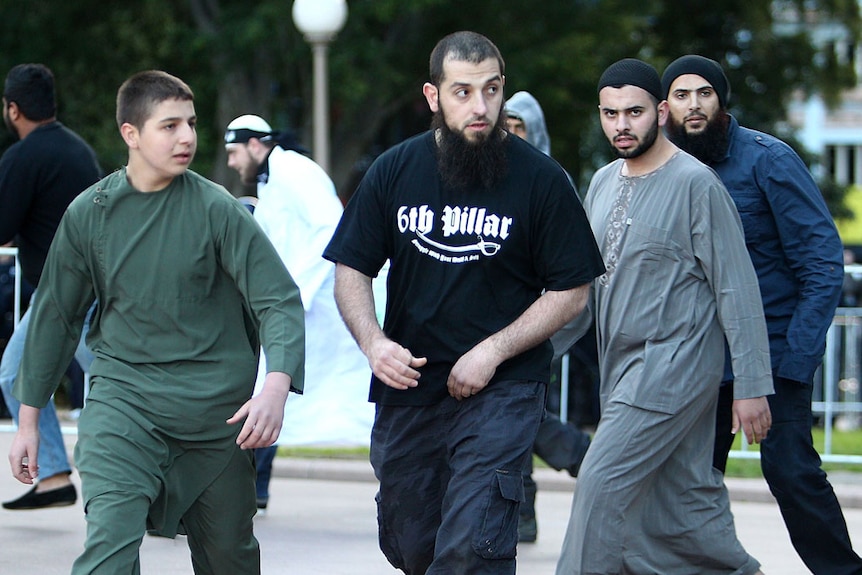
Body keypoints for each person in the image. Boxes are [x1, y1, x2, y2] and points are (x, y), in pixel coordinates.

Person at [323, 31, 605, 574]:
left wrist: (494, 351)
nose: (481, 107)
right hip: (410, 388)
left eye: (492, 89)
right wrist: (374, 342)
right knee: (411, 544)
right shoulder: (393, 170)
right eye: (463, 92)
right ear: (433, 96)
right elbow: (351, 269)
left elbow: (572, 290)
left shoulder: (542, 181)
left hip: (502, 389)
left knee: (474, 543)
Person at [7, 70, 305, 574]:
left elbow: (277, 299)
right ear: (131, 134)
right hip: (124, 407)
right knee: (107, 554)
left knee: (229, 559)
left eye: (190, 123)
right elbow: (56, 316)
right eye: (169, 126)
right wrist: (30, 421)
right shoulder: (90, 213)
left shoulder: (219, 210)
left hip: (216, 422)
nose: (187, 136)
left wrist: (275, 386)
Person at [555, 58, 773, 575]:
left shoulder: (698, 184)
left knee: (601, 481)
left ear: (659, 111)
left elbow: (736, 288)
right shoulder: (603, 182)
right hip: (623, 369)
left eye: (634, 112)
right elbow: (580, 290)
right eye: (610, 114)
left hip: (677, 362)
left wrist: (751, 384)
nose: (621, 125)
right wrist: (520, 351)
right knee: (681, 502)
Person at [662, 54, 862, 575]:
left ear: (722, 100)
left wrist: (793, 361)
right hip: (698, 359)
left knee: (791, 471)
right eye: (681, 96)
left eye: (704, 93)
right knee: (689, 481)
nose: (694, 105)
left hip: (770, 354)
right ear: (665, 108)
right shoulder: (662, 169)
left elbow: (822, 263)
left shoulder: (768, 159)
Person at [224, 114, 373, 513]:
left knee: (277, 391)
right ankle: (252, 487)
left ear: (256, 145)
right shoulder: (276, 179)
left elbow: (330, 229)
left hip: (315, 308)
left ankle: (248, 487)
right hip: (301, 307)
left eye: (234, 152)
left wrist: (292, 297)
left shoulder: (293, 171)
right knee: (270, 392)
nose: (232, 164)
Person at [0, 63, 102, 510]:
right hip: (91, 284)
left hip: (62, 293)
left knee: (120, 382)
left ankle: (166, 481)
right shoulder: (80, 151)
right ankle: (55, 477)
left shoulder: (22, 157)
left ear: (13, 109)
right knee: (113, 377)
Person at [503, 90, 592, 543]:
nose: (512, 136)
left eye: (520, 128)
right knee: (514, 414)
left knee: (518, 411)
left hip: (542, 318)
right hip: (499, 322)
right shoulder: (493, 175)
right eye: (507, 126)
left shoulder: (551, 180)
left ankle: (584, 458)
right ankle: (522, 513)